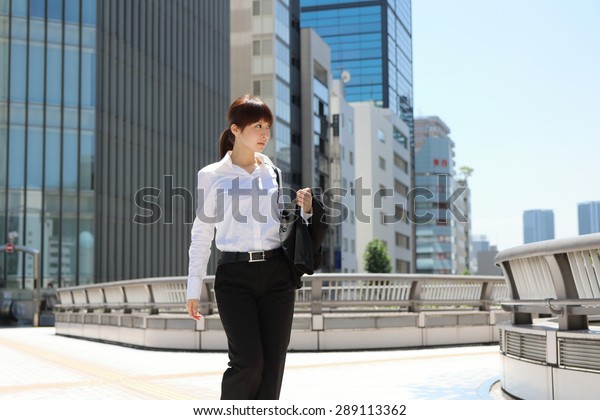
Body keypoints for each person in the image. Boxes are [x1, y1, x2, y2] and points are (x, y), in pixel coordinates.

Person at [186, 95, 315, 400]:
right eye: (257, 126)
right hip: (234, 275)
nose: (264, 133)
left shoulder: (273, 172)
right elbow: (202, 233)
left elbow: (283, 225)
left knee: (273, 368)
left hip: (276, 274)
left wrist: (307, 210)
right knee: (248, 363)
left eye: (267, 127)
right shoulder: (212, 175)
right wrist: (194, 286)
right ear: (235, 129)